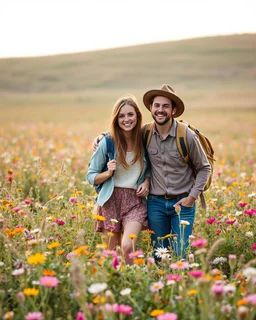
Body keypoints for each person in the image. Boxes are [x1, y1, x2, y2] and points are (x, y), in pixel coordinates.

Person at [93, 85, 211, 260]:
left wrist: (192, 197)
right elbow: (123, 128)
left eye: (165, 106)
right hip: (156, 204)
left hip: (183, 202)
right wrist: (101, 137)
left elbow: (204, 168)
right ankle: (161, 286)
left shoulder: (186, 136)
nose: (160, 110)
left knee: (181, 253)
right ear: (151, 108)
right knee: (158, 255)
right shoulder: (145, 133)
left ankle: (180, 285)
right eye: (156, 105)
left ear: (174, 110)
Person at [86, 95, 150, 265]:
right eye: (121, 116)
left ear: (137, 115)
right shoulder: (107, 143)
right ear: (116, 119)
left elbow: (150, 167)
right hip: (110, 200)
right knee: (112, 256)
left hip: (134, 201)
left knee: (127, 246)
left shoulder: (144, 139)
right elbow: (91, 176)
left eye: (130, 115)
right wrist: (107, 173)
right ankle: (117, 285)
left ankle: (129, 283)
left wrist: (147, 181)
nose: (126, 119)